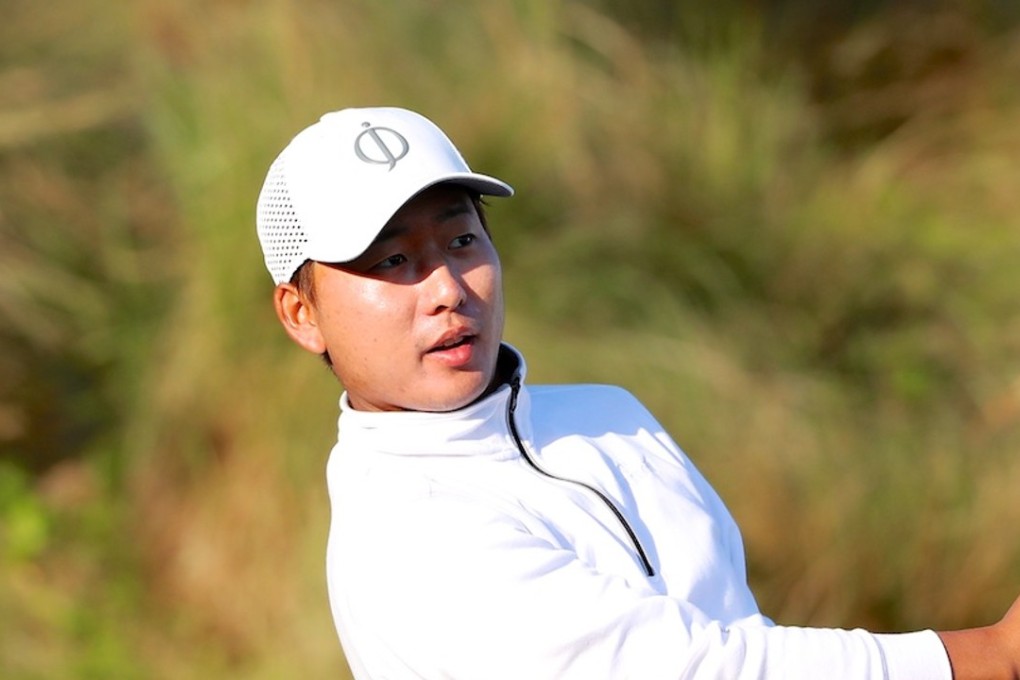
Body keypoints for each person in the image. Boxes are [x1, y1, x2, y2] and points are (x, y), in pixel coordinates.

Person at [256, 106, 1019, 679]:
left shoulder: (607, 415)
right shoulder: (408, 534)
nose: (449, 289)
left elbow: (737, 627)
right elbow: (695, 669)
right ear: (301, 314)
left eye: (461, 240)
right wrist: (988, 656)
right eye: (391, 261)